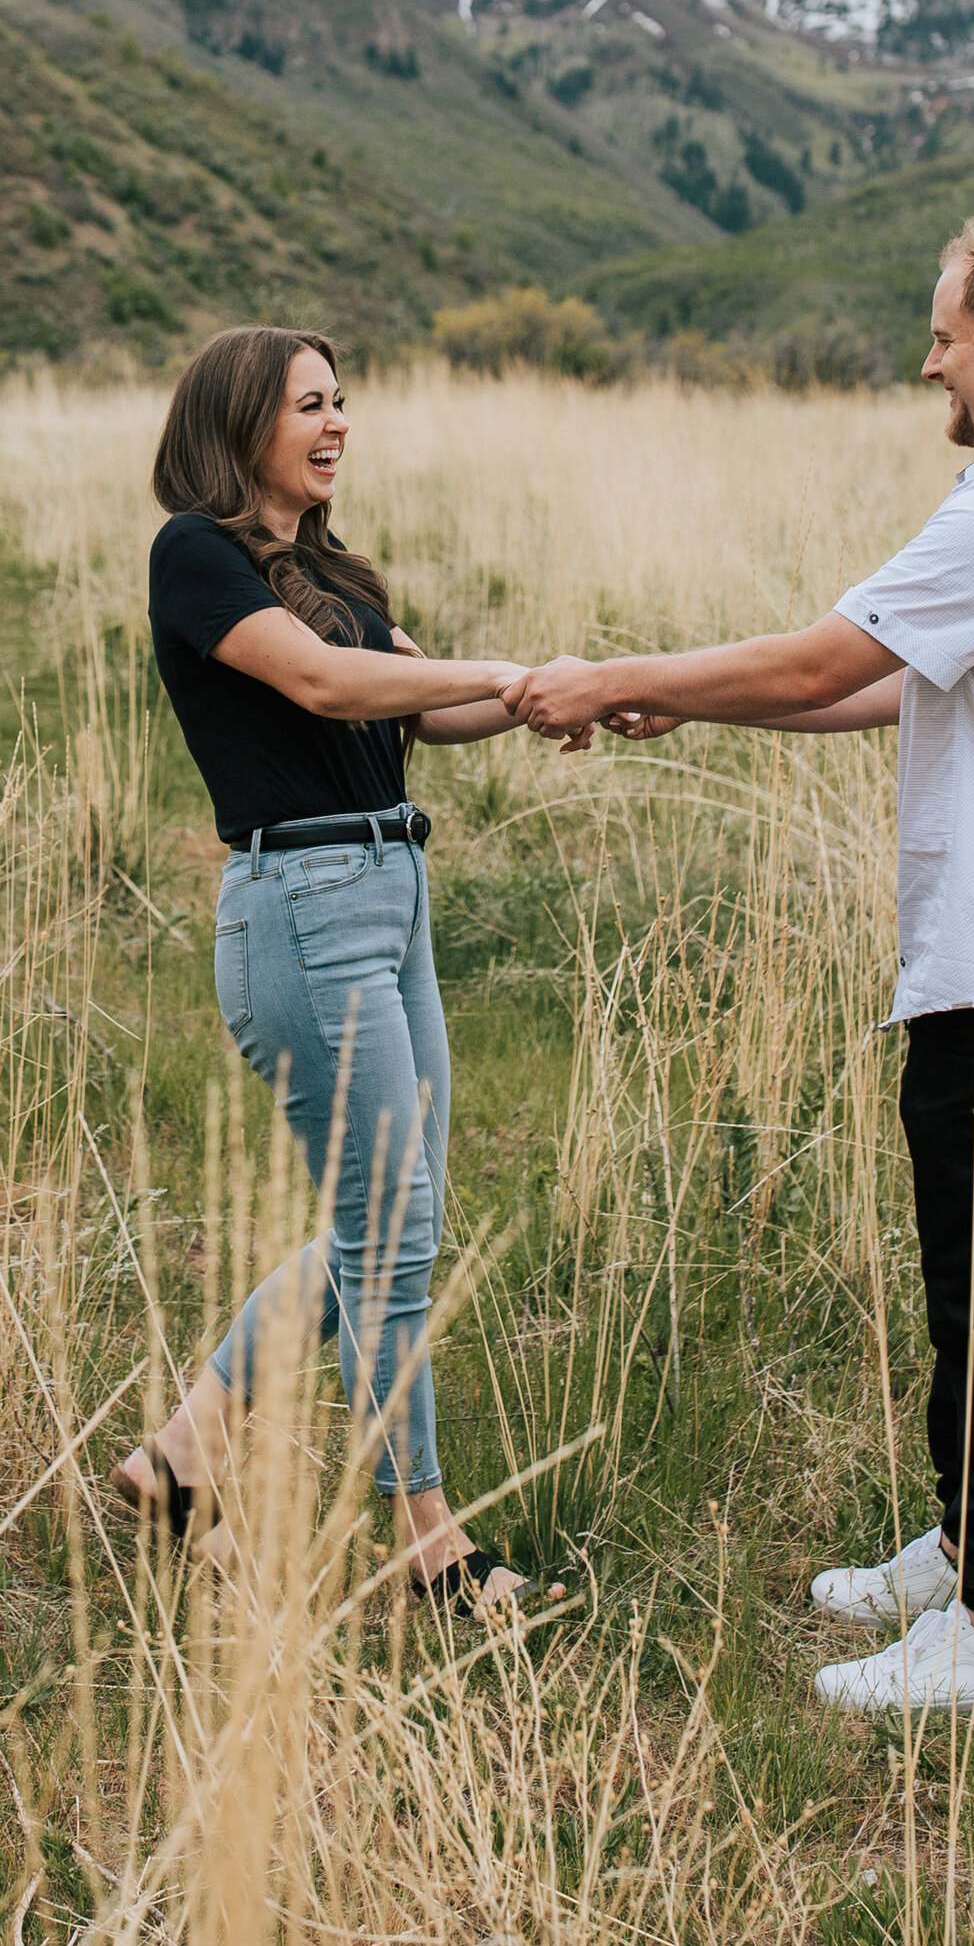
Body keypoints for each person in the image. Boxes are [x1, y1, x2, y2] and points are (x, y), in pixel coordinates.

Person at [506, 218, 974, 1717]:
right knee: (970, 1254)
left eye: (943, 332)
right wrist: (700, 706)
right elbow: (891, 685)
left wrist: (622, 673)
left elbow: (824, 658)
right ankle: (963, 1546)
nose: (925, 358)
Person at [118, 324, 562, 1618]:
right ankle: (427, 1541)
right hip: (305, 906)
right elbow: (319, 684)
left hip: (390, 893)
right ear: (242, 420)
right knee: (390, 1236)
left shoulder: (330, 568)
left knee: (393, 1225)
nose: (336, 423)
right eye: (309, 403)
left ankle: (187, 1448)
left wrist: (551, 693)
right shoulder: (193, 558)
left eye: (341, 402)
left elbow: (421, 703)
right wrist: (499, 671)